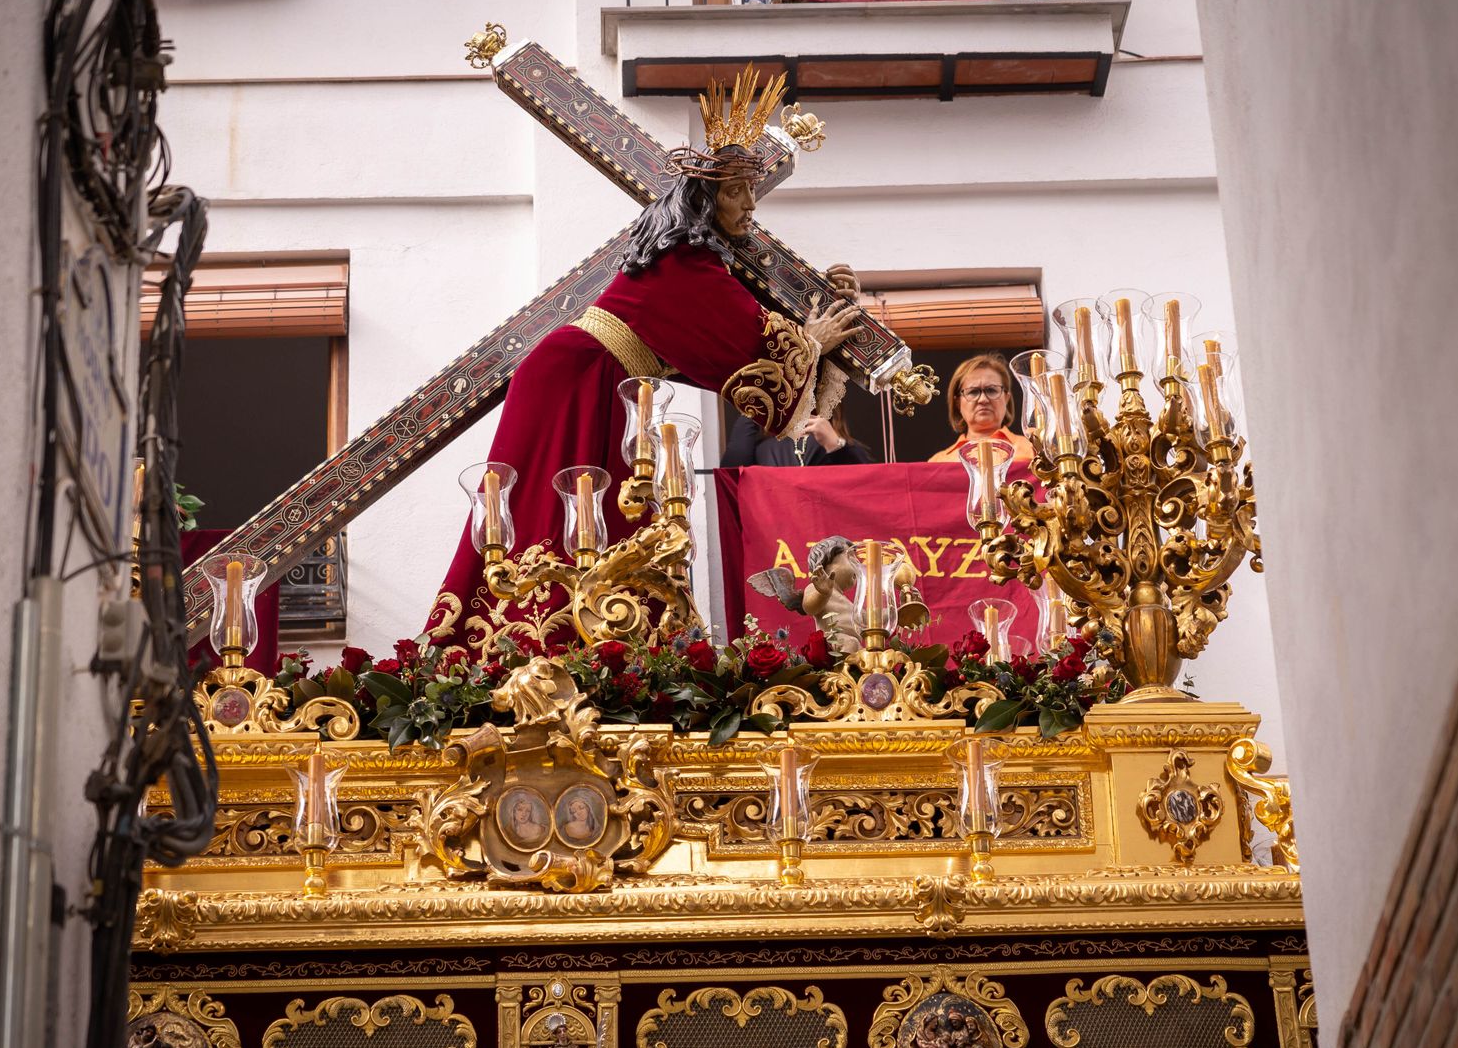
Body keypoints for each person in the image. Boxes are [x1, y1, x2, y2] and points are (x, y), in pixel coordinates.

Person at [427, 67, 864, 656]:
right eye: (734, 192)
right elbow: (755, 344)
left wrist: (824, 305)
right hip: (578, 379)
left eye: (751, 189)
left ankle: (605, 646)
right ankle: (530, 642)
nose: (749, 203)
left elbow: (750, 328)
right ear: (703, 199)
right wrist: (811, 341)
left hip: (600, 380)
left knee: (605, 518)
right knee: (551, 514)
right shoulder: (684, 262)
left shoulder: (698, 263)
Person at [927, 352, 1034, 466]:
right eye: (973, 392)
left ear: (1006, 398)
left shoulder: (1033, 449)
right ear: (958, 402)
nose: (983, 399)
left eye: (991, 390)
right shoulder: (937, 462)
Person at [721, 404, 872, 466]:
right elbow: (731, 474)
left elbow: (865, 486)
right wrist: (754, 408)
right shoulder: (763, 448)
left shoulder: (841, 446)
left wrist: (835, 445)